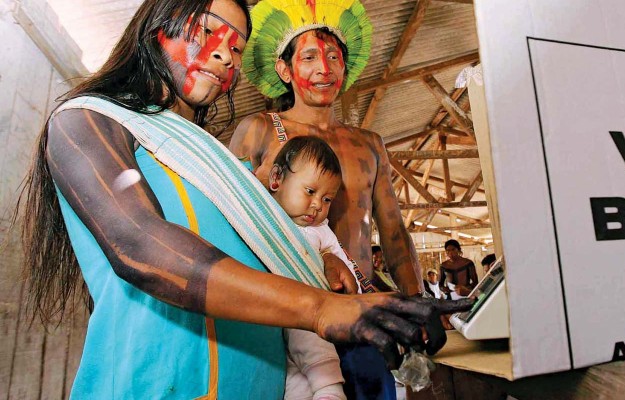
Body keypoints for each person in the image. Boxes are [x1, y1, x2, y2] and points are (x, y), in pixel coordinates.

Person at [13, 0, 472, 398]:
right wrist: (323, 306)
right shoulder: (88, 122)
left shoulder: (214, 162)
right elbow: (142, 247)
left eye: (236, 47)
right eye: (209, 31)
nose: (224, 55)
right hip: (154, 383)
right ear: (157, 27)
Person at [229, 1, 447, 399]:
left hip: (362, 318)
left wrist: (417, 303)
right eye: (309, 56)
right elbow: (228, 219)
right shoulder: (260, 130)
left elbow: (394, 231)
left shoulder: (370, 144)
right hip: (287, 324)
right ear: (284, 69)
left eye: (333, 57)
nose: (324, 69)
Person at [268, 136, 356, 400]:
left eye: (327, 199)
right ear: (276, 179)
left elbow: (349, 278)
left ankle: (330, 390)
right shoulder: (260, 214)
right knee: (292, 383)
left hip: (303, 314)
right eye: (310, 192)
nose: (318, 205)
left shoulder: (321, 232)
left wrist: (332, 260)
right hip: (267, 319)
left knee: (310, 343)